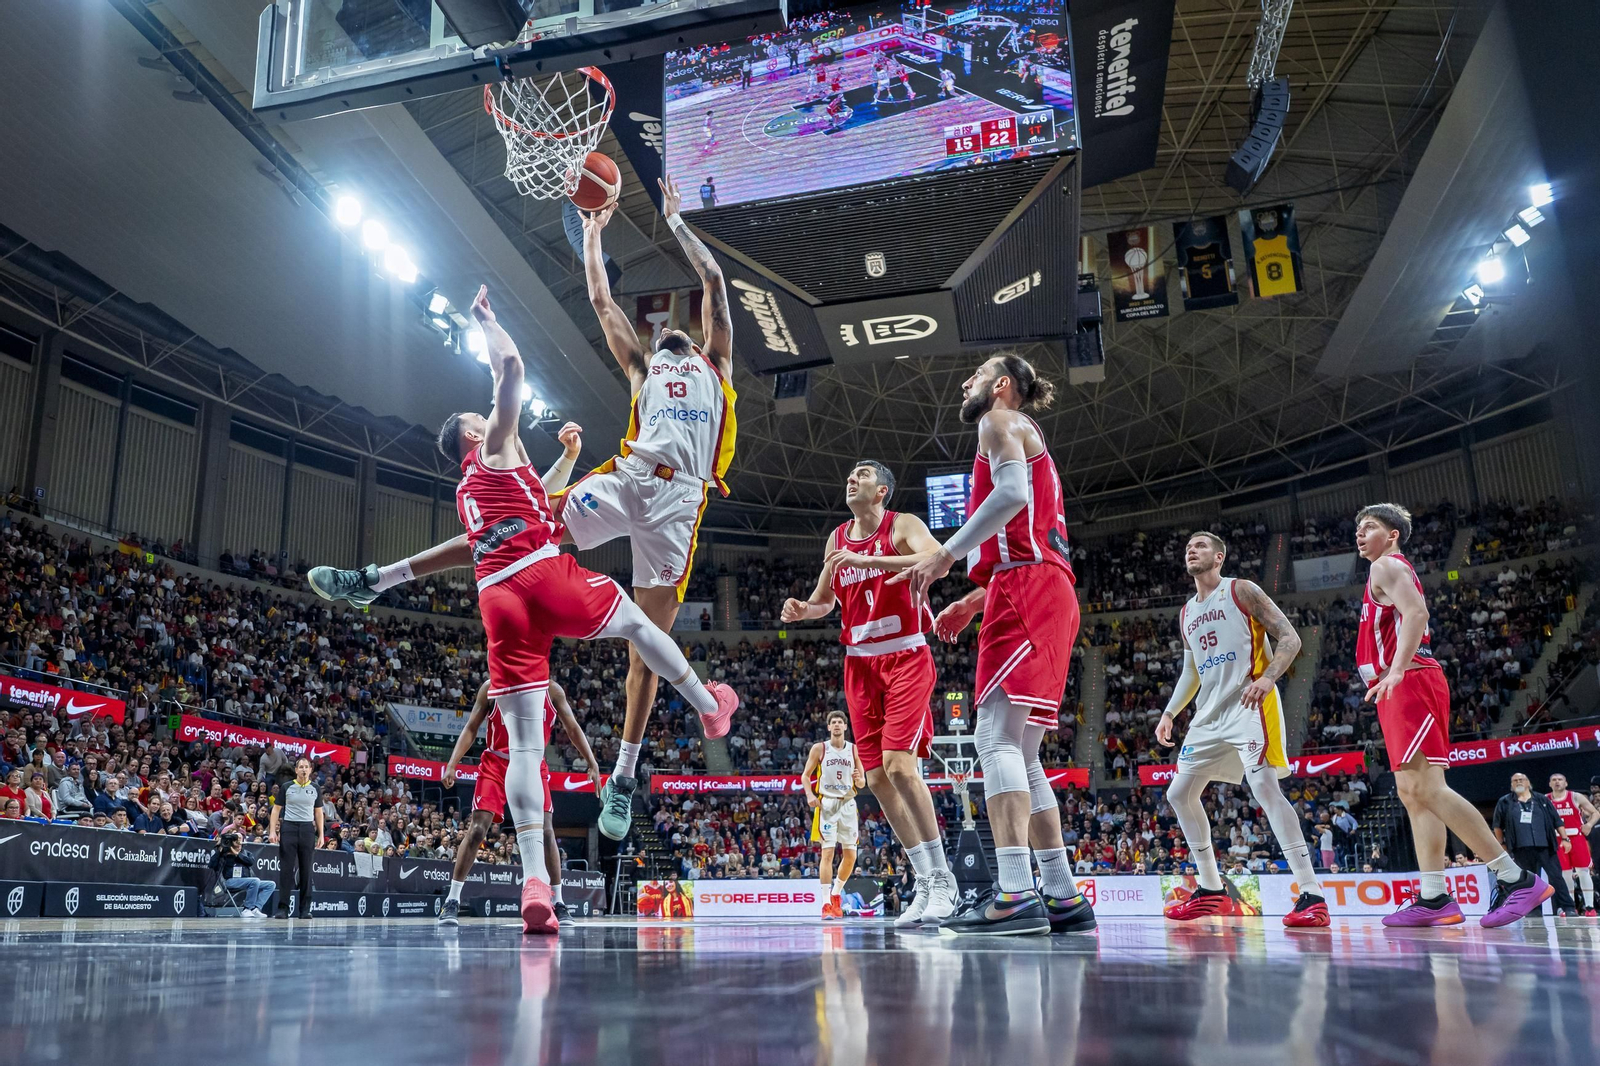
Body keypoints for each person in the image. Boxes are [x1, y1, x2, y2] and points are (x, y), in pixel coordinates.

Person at [306, 285, 738, 932]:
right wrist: (488, 324)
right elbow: (510, 371)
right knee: (638, 624)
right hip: (540, 575)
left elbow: (512, 523)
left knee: (527, 752)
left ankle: (536, 881)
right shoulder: (496, 444)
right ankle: (709, 706)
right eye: (482, 419)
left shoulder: (470, 492)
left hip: (495, 596)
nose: (490, 417)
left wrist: (384, 577)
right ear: (475, 434)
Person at [895, 352, 1096, 936]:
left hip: (1028, 591)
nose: (966, 381)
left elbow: (1008, 497)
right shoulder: (1031, 438)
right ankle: (1059, 895)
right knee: (1023, 753)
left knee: (993, 737)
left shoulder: (998, 422)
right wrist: (973, 599)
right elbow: (1036, 540)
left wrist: (943, 555)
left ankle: (1014, 892)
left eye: (978, 374)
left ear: (1002, 386)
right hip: (1041, 589)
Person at [1355, 503, 1552, 927]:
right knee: (1412, 793)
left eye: (1369, 526)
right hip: (1400, 683)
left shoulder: (1386, 565)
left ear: (1392, 535)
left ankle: (1515, 878)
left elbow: (1418, 614)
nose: (1359, 533)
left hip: (1411, 679)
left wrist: (1398, 670)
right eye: (1358, 528)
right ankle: (1434, 896)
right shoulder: (1384, 570)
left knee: (1428, 789)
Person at [781, 461, 959, 927]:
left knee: (901, 766)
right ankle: (924, 880)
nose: (850, 477)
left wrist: (870, 561)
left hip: (904, 656)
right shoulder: (836, 541)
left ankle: (944, 879)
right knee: (877, 779)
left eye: (861, 474)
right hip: (859, 665)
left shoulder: (902, 525)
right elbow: (825, 599)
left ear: (881, 491)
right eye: (850, 473)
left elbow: (937, 556)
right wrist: (805, 610)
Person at [1154, 531, 1328, 927]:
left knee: (1265, 786)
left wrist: (1268, 679)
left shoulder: (1241, 590)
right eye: (1187, 547)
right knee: (1179, 793)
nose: (1190, 551)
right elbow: (1191, 670)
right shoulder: (1186, 613)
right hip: (1208, 714)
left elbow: (1290, 637)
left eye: (1199, 546)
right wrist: (1169, 712)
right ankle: (1213, 890)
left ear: (1218, 557)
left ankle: (1312, 894)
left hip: (1250, 702)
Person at [437, 679, 600, 927]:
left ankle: (558, 902)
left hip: (533, 763)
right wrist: (452, 763)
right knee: (478, 829)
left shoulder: (553, 691)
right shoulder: (491, 688)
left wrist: (591, 760)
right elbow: (471, 727)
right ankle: (452, 899)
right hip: (496, 762)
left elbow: (573, 727)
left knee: (547, 831)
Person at [801, 711, 866, 919]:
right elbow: (805, 776)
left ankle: (837, 894)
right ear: (829, 727)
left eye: (840, 722)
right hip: (827, 804)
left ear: (846, 727)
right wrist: (810, 794)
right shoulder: (820, 748)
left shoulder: (854, 750)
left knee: (851, 856)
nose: (837, 725)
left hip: (848, 804)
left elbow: (863, 782)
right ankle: (826, 903)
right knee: (827, 853)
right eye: (833, 722)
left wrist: (859, 779)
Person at [1491, 773, 1578, 915]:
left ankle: (1568, 907)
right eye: (1515, 780)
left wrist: (1565, 838)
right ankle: (1534, 910)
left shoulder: (1541, 799)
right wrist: (1502, 844)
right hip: (1521, 848)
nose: (1519, 782)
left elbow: (1556, 820)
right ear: (1511, 784)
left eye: (1521, 780)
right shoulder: (1505, 802)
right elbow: (1497, 826)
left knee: (1556, 877)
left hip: (1545, 846)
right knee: (1529, 882)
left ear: (1528, 782)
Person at [268, 757, 323, 920]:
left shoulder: (315, 788)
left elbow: (319, 812)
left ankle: (305, 909)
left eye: (307, 767)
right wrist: (272, 831)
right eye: (301, 767)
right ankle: (283, 908)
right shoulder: (287, 786)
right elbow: (276, 810)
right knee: (286, 870)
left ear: (310, 770)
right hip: (289, 828)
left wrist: (321, 834)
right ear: (296, 770)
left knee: (306, 871)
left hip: (307, 829)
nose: (304, 769)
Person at [1547, 773, 1597, 915]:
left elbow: (1595, 813)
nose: (1557, 782)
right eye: (1554, 780)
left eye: (1560, 779)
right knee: (1565, 874)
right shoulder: (1545, 799)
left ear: (1566, 783)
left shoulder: (1575, 797)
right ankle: (1570, 907)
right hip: (1557, 840)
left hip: (1576, 837)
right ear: (1550, 784)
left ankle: (1589, 907)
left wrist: (1589, 825)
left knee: (1583, 871)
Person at [210, 831, 274, 918]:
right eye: (236, 839)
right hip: (230, 881)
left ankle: (256, 908)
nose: (238, 841)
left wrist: (236, 853)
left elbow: (250, 862)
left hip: (247, 881)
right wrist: (220, 849)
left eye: (240, 839)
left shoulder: (246, 853)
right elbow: (212, 865)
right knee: (255, 881)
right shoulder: (224, 853)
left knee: (270, 885)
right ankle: (247, 909)